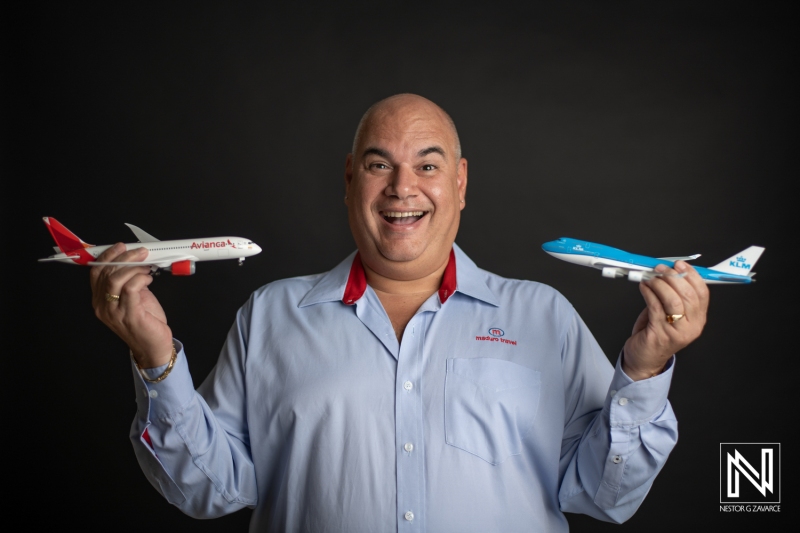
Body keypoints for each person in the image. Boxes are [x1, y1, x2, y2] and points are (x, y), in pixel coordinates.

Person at [90, 94, 709, 532]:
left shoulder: (545, 317)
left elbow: (605, 496)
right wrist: (155, 359)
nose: (401, 187)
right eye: (380, 163)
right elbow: (208, 489)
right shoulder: (270, 316)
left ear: (460, 184)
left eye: (428, 165)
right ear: (351, 179)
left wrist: (646, 369)